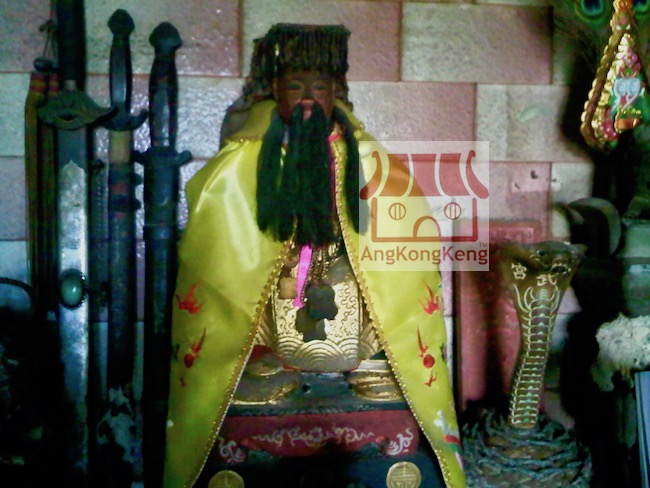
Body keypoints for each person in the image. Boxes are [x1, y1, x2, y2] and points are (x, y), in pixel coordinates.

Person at [163, 24, 466, 488]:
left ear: (335, 92)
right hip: (273, 308)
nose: (307, 98)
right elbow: (219, 251)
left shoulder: (364, 155)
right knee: (249, 362)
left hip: (348, 297)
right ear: (275, 91)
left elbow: (400, 237)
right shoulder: (243, 159)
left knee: (379, 359)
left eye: (319, 87)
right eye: (294, 87)